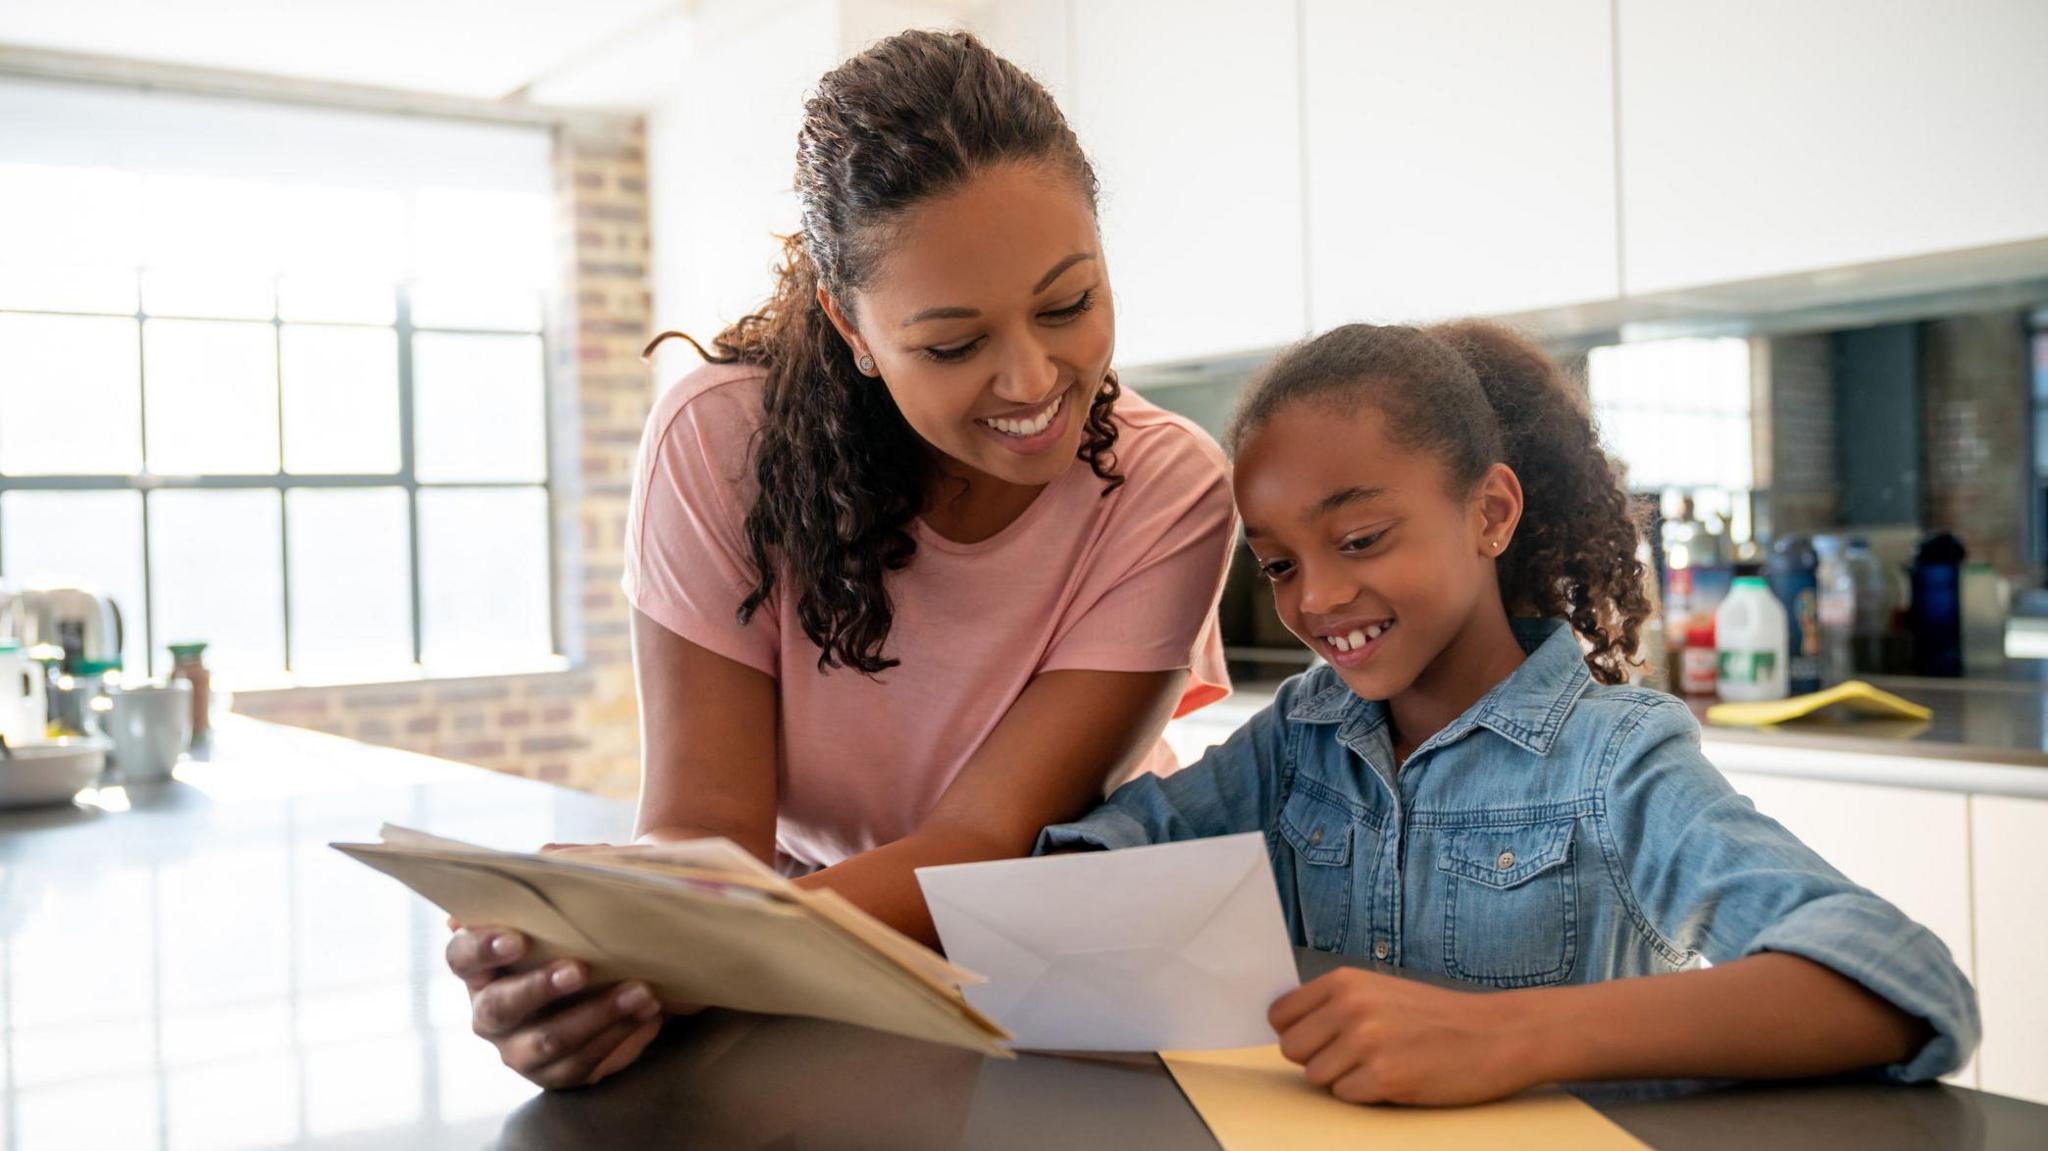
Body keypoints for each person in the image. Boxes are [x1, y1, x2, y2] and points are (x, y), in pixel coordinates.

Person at [443, 29, 1236, 1090]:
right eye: (951, 343)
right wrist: (594, 964)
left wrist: (682, 946)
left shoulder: (1168, 486)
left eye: (1067, 303)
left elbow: (989, 838)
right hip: (789, 955)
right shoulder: (717, 443)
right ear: (848, 325)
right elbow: (700, 827)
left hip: (1055, 967)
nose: (1033, 377)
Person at [1037, 321, 1979, 1105]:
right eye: (1280, 563)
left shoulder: (1613, 759)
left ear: (1490, 512)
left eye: (1360, 538)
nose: (1315, 599)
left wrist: (1502, 1034)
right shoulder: (1301, 737)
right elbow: (1078, 873)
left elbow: (1900, 981)